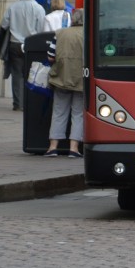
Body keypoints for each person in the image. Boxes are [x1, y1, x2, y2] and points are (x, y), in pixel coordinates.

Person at [44, 9, 85, 158]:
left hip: (61, 78)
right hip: (81, 80)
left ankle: (52, 147)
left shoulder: (60, 33)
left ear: (72, 19)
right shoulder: (88, 35)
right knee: (78, 114)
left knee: (59, 112)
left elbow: (50, 57)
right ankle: (73, 148)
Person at [0, 0, 45, 111]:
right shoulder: (39, 8)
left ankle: (17, 103)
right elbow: (41, 28)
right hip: (31, 44)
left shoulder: (13, 7)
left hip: (14, 43)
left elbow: (4, 24)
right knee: (30, 74)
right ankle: (27, 102)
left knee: (16, 74)